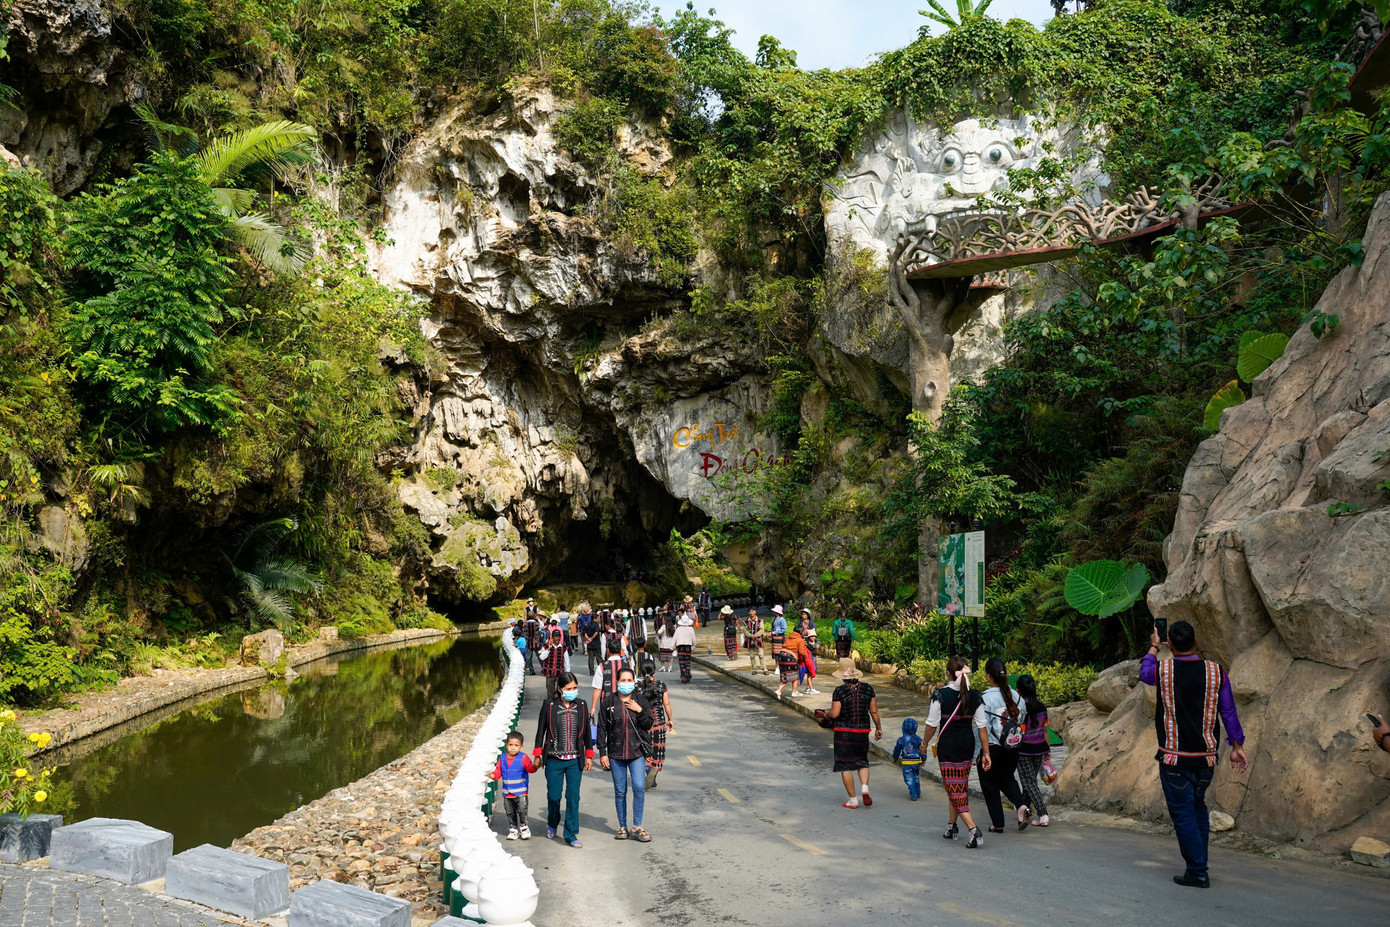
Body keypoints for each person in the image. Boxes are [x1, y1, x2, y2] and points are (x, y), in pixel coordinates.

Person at [1140, 620, 1248, 888]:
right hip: (1206, 760)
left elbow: (1144, 672)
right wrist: (1237, 746)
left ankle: (1198, 870)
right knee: (1198, 807)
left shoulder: (1163, 669)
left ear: (1171, 644)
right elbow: (1229, 711)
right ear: (1196, 641)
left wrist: (1154, 647)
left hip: (1174, 759)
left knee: (1184, 814)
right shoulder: (1216, 672)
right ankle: (1200, 864)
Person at [921, 656, 990, 848]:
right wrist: (986, 753)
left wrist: (924, 744)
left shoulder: (940, 695)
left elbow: (932, 724)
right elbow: (982, 726)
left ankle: (973, 829)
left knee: (953, 787)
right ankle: (952, 826)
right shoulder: (975, 695)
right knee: (959, 786)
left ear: (949, 674)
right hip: (967, 745)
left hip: (949, 746)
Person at [533, 672, 594, 848]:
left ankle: (571, 833)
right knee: (554, 796)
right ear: (560, 689)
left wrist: (589, 755)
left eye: (575, 688)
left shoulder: (581, 705)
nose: (573, 691)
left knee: (573, 797)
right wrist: (537, 754)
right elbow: (540, 731)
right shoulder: (549, 706)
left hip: (575, 760)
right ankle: (553, 822)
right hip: (554, 759)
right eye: (569, 688)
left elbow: (587, 734)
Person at [596, 667, 654, 842]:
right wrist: (603, 752)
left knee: (638, 787)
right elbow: (602, 727)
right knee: (620, 791)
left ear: (634, 682)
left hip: (636, 752)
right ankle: (622, 827)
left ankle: (637, 825)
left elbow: (648, 724)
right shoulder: (609, 701)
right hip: (616, 753)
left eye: (630, 680)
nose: (626, 683)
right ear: (617, 682)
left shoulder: (640, 700)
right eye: (623, 680)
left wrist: (639, 710)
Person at [979, 657, 1032, 834]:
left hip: (992, 747)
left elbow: (982, 727)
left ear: (988, 676)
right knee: (1007, 778)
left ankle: (998, 823)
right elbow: (1022, 719)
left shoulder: (985, 698)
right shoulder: (1016, 696)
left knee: (990, 783)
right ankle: (1021, 806)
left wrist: (981, 753)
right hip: (1013, 746)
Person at [828, 666, 882, 808]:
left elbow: (835, 714)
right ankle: (864, 788)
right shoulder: (868, 689)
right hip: (862, 731)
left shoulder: (839, 691)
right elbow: (874, 711)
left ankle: (853, 799)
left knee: (845, 765)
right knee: (862, 761)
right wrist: (878, 728)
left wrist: (826, 713)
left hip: (844, 732)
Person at [1015, 674, 1052, 826]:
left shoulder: (1019, 708)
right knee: (1029, 781)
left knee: (1028, 781)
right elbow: (1045, 730)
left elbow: (1018, 731)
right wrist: (1047, 750)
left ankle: (1043, 814)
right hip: (1039, 748)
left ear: (1019, 690)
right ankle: (1024, 812)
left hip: (1024, 750)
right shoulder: (1042, 707)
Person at [490, 731, 539, 839]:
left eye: (516, 745)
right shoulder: (502, 758)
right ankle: (513, 829)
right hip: (507, 793)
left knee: (522, 809)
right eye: (510, 745)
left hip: (521, 792)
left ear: (521, 747)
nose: (513, 748)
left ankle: (524, 826)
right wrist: (493, 775)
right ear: (506, 745)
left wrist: (535, 766)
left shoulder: (523, 757)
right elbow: (498, 771)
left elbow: (530, 769)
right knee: (509, 811)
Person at [638, 659, 675, 789]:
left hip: (643, 725)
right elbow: (667, 704)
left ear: (641, 672)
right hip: (659, 724)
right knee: (657, 750)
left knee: (645, 750)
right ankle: (653, 775)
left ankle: (647, 770)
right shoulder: (661, 685)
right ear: (654, 670)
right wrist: (670, 720)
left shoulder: (637, 687)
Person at [892, 718, 925, 801]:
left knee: (909, 779)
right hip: (916, 761)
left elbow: (897, 750)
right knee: (916, 776)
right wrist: (923, 759)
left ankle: (913, 795)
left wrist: (895, 758)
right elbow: (923, 750)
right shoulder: (918, 739)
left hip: (906, 762)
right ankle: (918, 793)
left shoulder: (901, 740)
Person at [592, 637, 630, 704]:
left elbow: (597, 688)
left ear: (608, 651)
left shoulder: (601, 667)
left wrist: (593, 707)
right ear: (620, 651)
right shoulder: (629, 665)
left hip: (607, 704)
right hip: (626, 702)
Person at [776, 628, 809, 699]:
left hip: (782, 657)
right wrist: (806, 656)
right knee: (795, 675)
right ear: (801, 632)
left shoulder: (788, 637)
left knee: (785, 675)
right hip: (791, 658)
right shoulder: (800, 640)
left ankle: (780, 690)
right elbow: (801, 652)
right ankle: (793, 692)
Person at [540, 622, 569, 700]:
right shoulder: (546, 647)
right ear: (552, 637)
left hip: (560, 672)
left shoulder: (564, 648)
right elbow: (542, 657)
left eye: (559, 637)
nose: (557, 639)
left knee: (560, 691)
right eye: (555, 637)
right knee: (550, 692)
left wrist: (567, 673)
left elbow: (566, 662)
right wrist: (548, 649)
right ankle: (550, 706)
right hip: (549, 673)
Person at [673, 611, 697, 683]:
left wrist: (672, 647)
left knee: (681, 662)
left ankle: (684, 675)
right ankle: (687, 673)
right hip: (688, 647)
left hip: (680, 647)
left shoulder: (678, 629)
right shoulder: (691, 629)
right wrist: (694, 646)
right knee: (687, 662)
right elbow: (694, 639)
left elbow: (674, 639)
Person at [832, 609, 856, 677]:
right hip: (847, 640)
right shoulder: (849, 622)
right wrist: (854, 639)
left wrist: (837, 636)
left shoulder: (836, 622)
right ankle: (847, 671)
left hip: (839, 641)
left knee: (840, 656)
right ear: (846, 615)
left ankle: (841, 671)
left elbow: (833, 632)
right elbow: (851, 631)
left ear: (839, 615)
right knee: (846, 655)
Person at [744, 608, 767, 675]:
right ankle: (754, 669)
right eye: (750, 611)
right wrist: (750, 635)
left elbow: (762, 630)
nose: (751, 612)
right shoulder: (745, 622)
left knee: (761, 655)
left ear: (755, 612)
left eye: (752, 611)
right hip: (749, 640)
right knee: (752, 656)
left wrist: (755, 635)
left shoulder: (760, 621)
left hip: (758, 640)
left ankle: (764, 668)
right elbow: (745, 631)